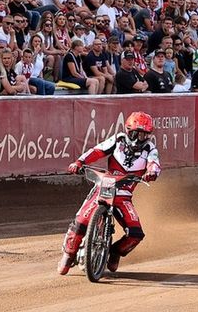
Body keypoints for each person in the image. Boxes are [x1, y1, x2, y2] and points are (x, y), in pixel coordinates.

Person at [58, 112, 160, 275]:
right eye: (137, 134)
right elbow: (97, 151)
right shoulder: (118, 139)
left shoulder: (150, 148)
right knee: (80, 223)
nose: (140, 139)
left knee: (136, 234)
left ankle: (114, 252)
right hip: (105, 187)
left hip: (124, 195)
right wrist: (79, 162)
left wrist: (152, 172)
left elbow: (154, 163)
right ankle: (69, 254)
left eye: (144, 134)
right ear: (129, 131)